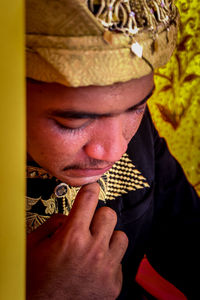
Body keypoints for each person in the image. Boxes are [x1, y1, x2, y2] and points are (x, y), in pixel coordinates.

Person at [26, 0, 200, 299]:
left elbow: (188, 238)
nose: (115, 150)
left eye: (136, 107)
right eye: (73, 121)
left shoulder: (139, 135)